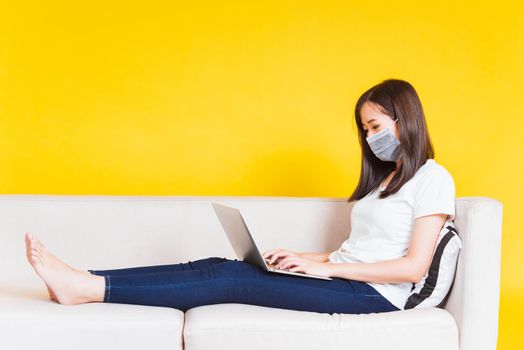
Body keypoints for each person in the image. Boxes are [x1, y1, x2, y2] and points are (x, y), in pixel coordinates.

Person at [24, 78, 455, 314]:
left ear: (406, 120)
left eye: (376, 126)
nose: (369, 136)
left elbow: (413, 266)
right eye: (364, 129)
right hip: (347, 280)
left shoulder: (434, 179)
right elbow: (359, 251)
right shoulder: (384, 183)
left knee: (231, 280)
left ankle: (87, 289)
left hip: (375, 296)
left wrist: (327, 273)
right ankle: (86, 276)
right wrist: (306, 257)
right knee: (216, 265)